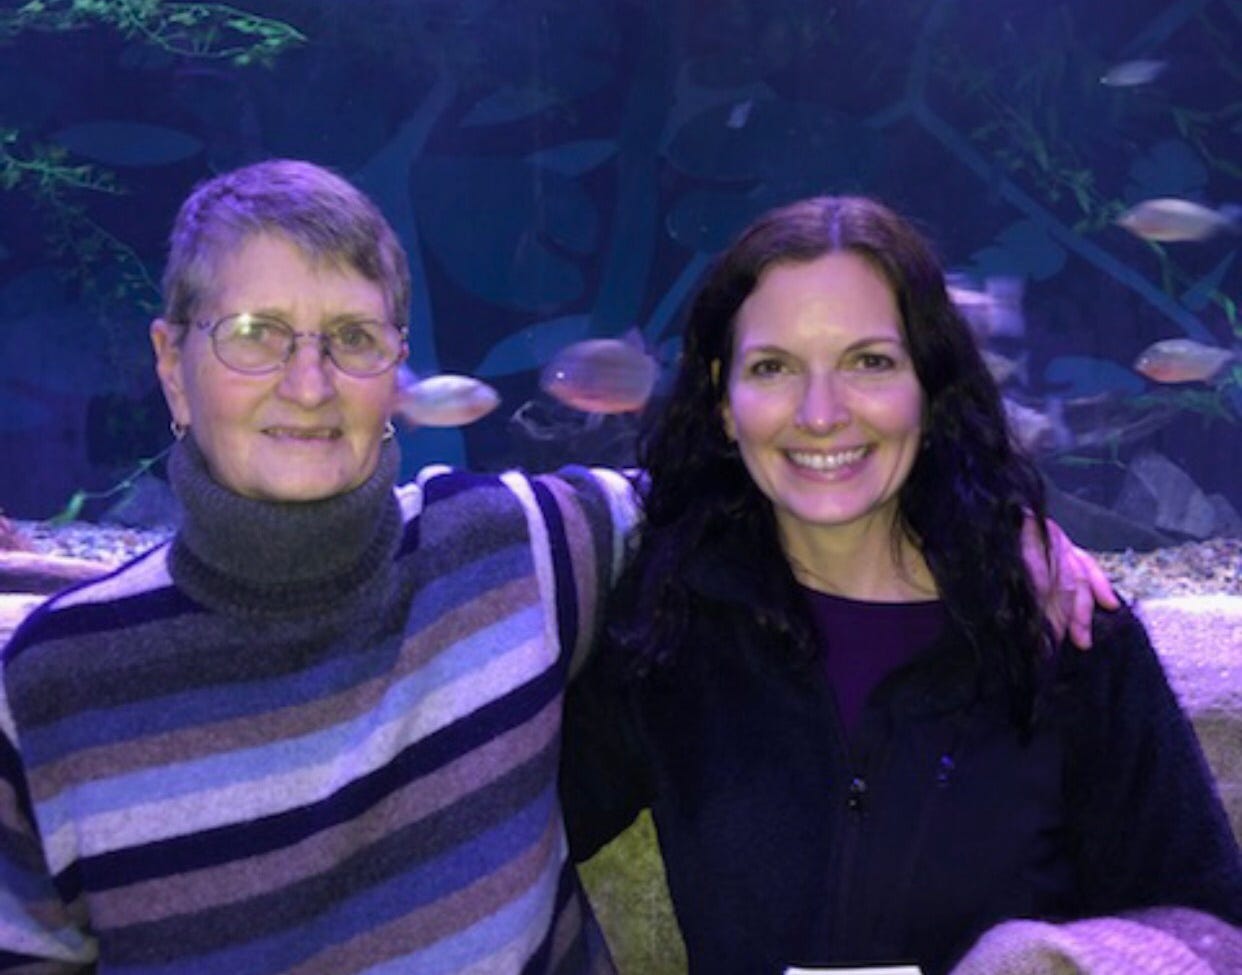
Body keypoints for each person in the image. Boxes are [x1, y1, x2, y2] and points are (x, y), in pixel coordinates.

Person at [0, 163, 1108, 973]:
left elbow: (777, 469)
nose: (307, 383)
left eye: (351, 337)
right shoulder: (46, 686)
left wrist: (986, 518)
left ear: (397, 364)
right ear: (172, 363)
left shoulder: (515, 546)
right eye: (253, 332)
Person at [559, 196, 1242, 975]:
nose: (821, 414)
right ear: (722, 399)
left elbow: (1211, 923)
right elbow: (508, 831)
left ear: (930, 380)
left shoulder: (1069, 634)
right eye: (773, 367)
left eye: (870, 362)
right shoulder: (667, 625)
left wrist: (1050, 960)